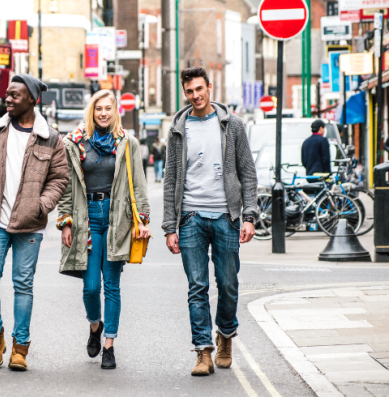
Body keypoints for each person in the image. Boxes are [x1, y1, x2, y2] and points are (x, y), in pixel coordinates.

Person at [0, 74, 68, 371]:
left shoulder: (50, 137)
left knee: (23, 285)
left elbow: (59, 178)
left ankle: (20, 347)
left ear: (32, 100)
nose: (7, 99)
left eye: (14, 95)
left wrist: (43, 205)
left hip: (30, 223)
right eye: (7, 95)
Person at [162, 67, 258, 377]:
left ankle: (226, 334)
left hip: (227, 216)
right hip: (190, 217)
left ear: (210, 87)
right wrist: (169, 226)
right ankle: (203, 351)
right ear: (185, 93)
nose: (195, 96)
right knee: (197, 287)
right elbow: (171, 178)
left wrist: (250, 215)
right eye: (189, 91)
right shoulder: (178, 128)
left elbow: (247, 172)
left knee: (228, 285)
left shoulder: (232, 125)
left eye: (199, 89)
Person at [57, 89, 150, 370]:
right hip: (87, 219)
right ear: (92, 111)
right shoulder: (74, 142)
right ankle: (95, 326)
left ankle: (109, 345)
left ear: (115, 110)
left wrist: (141, 221)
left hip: (116, 219)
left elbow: (139, 183)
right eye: (99, 109)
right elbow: (66, 185)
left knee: (112, 286)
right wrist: (65, 220)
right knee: (90, 287)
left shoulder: (127, 142)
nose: (103, 113)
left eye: (108, 108)